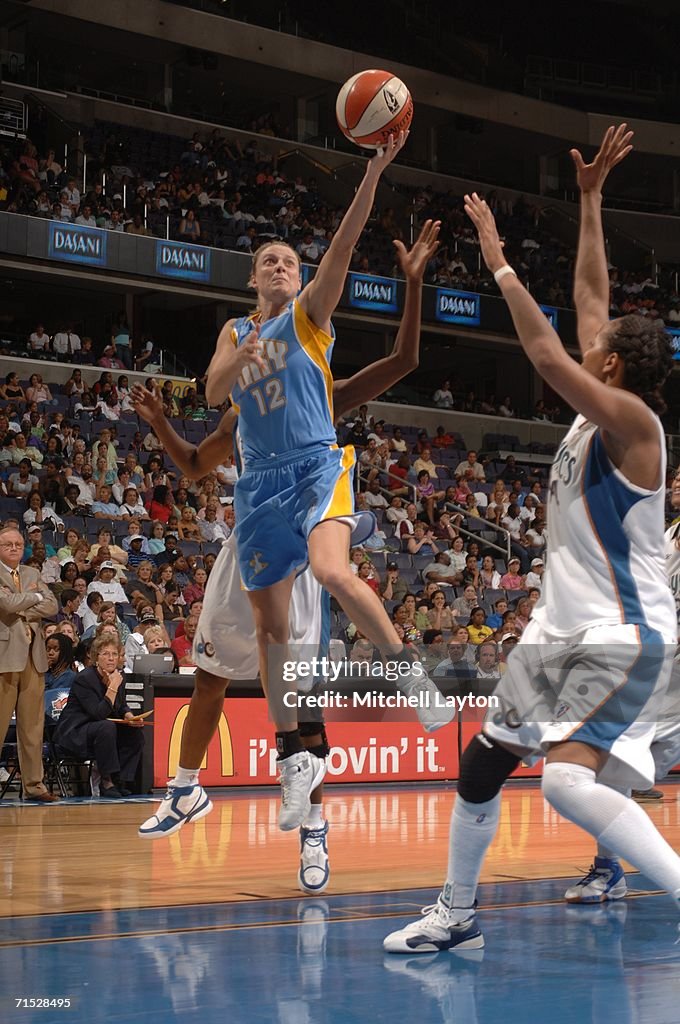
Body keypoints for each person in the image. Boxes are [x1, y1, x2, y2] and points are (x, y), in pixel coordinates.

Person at [384, 124, 680, 955]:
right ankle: (456, 913)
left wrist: (500, 261)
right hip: (557, 633)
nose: (598, 332)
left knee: (562, 782)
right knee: (482, 767)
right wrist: (588, 200)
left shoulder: (634, 423)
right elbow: (589, 298)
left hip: (622, 636)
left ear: (615, 367)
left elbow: (551, 353)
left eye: (607, 342)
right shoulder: (606, 406)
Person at [134, 222, 450, 889]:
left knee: (303, 699)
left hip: (309, 531)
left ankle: (314, 832)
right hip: (256, 528)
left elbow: (402, 364)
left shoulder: (318, 379)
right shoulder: (239, 401)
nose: (279, 268)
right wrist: (164, 422)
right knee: (212, 676)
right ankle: (186, 789)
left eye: (289, 262)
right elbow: (195, 463)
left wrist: (413, 287)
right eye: (267, 261)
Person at [0, 526, 59, 801]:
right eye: (7, 544)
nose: (13, 548)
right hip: (5, 657)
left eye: (18, 544)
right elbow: (6, 604)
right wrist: (33, 598)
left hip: (33, 658)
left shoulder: (33, 573)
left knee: (33, 726)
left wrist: (22, 602)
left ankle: (34, 785)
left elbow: (52, 606)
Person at [54, 634, 145, 798]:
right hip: (76, 733)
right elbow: (98, 713)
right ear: (96, 658)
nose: (111, 659)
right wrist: (113, 687)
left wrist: (130, 717)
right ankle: (106, 781)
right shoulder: (85, 679)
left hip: (99, 731)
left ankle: (120, 780)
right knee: (106, 726)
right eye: (106, 654)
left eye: (114, 654)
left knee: (134, 733)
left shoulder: (117, 677)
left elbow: (121, 705)